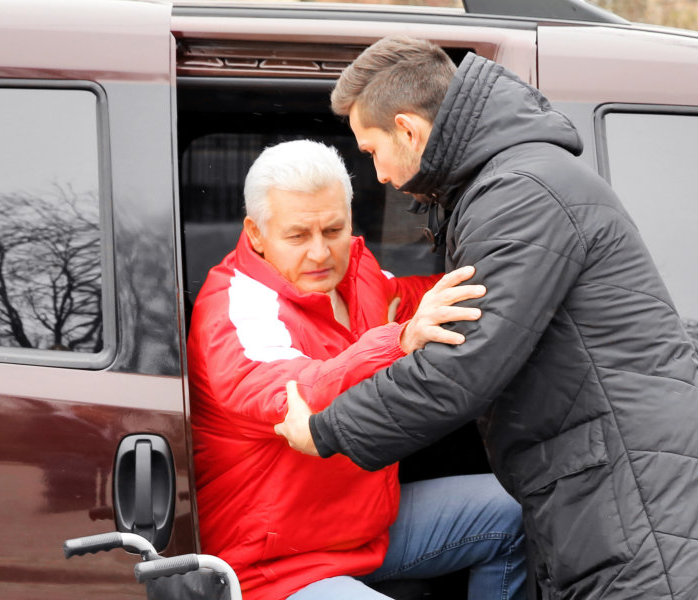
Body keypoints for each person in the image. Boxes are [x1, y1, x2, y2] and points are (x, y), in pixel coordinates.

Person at [271, 37, 698, 599]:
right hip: (632, 513)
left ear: (409, 130)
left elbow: (462, 368)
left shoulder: (519, 194)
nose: (376, 175)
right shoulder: (508, 184)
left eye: (371, 151)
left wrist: (325, 430)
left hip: (656, 529)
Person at [188, 139, 529, 600]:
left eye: (333, 230)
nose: (320, 253)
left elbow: (424, 300)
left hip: (366, 532)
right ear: (255, 234)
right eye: (297, 236)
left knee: (518, 511)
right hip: (276, 568)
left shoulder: (359, 274)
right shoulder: (236, 307)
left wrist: (525, 273)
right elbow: (295, 396)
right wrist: (400, 339)